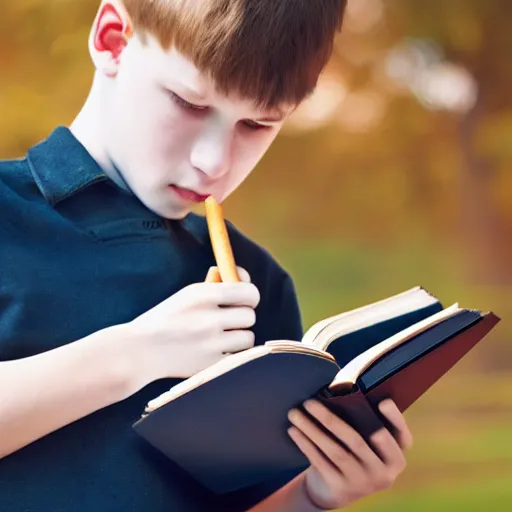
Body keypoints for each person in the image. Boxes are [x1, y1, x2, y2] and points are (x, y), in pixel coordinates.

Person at [0, 1, 414, 510]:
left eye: (258, 124)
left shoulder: (260, 282)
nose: (214, 162)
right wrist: (134, 355)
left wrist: (315, 494)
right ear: (113, 40)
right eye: (189, 103)